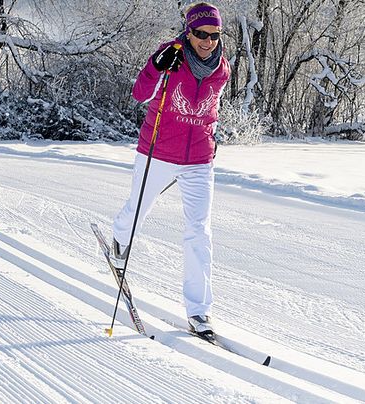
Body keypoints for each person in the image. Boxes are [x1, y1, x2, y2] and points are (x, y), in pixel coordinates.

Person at [110, 2, 229, 339]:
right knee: (137, 210)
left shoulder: (222, 68)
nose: (207, 41)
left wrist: (211, 135)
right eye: (201, 34)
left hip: (199, 160)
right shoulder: (170, 55)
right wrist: (154, 66)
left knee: (199, 231)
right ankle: (120, 241)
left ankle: (199, 311)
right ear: (188, 32)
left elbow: (211, 109)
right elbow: (140, 93)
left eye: (214, 35)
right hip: (158, 152)